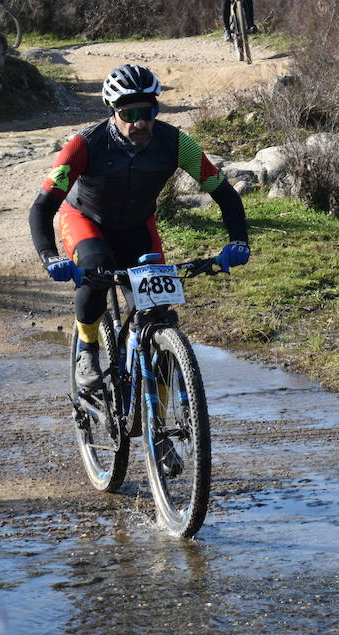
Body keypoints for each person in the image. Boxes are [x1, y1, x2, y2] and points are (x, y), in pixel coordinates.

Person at [29, 64, 251, 391]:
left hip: (137, 227)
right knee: (95, 268)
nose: (140, 122)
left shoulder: (176, 143)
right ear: (113, 111)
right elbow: (43, 207)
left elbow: (224, 194)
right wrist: (50, 257)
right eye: (130, 113)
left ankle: (162, 438)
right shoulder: (83, 145)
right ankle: (87, 350)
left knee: (158, 317)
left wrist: (239, 241)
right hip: (85, 220)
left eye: (148, 111)